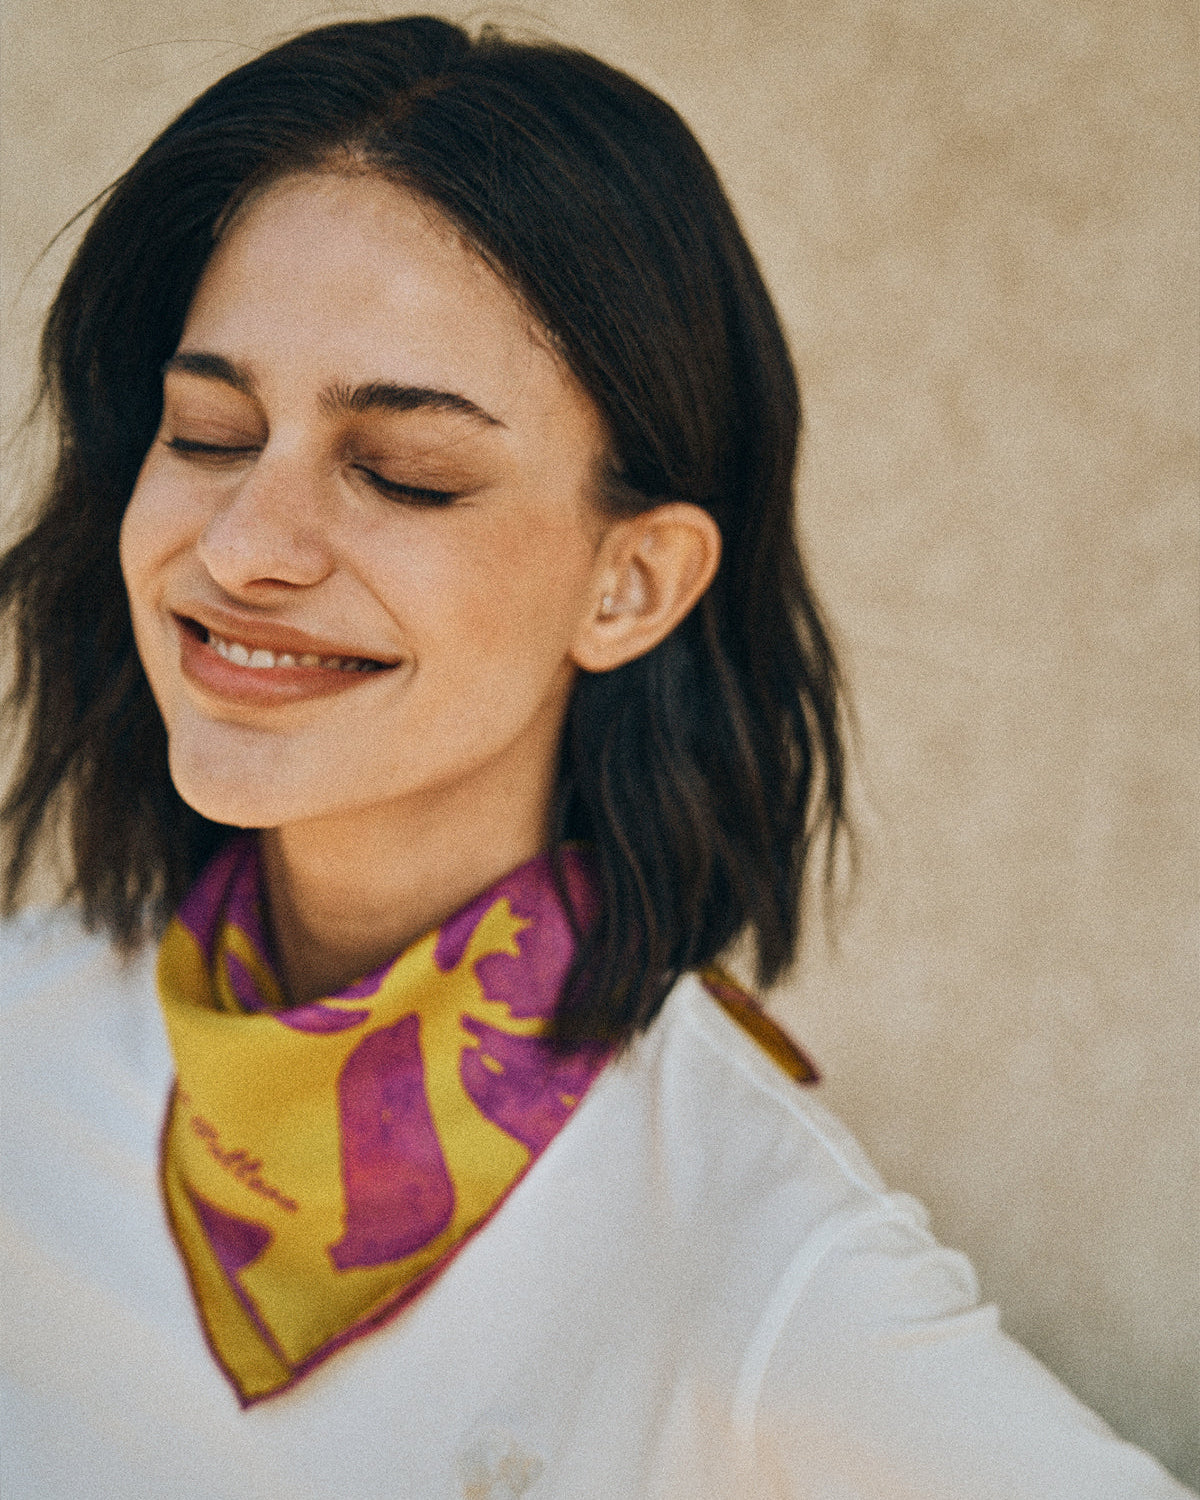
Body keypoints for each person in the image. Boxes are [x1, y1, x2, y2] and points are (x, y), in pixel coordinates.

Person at [0, 16, 1190, 1499]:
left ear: (629, 584)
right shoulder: (20, 1052)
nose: (243, 548)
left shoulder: (754, 1249)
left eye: (402, 473)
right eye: (209, 431)